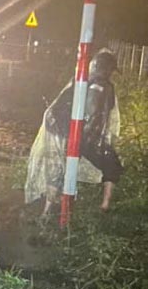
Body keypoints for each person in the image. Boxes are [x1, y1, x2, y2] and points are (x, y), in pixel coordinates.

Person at [25, 49, 123, 215]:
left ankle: (50, 211)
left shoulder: (83, 81)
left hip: (65, 130)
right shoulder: (99, 86)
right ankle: (61, 211)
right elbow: (91, 113)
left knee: (60, 167)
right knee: (106, 165)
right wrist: (84, 140)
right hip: (74, 132)